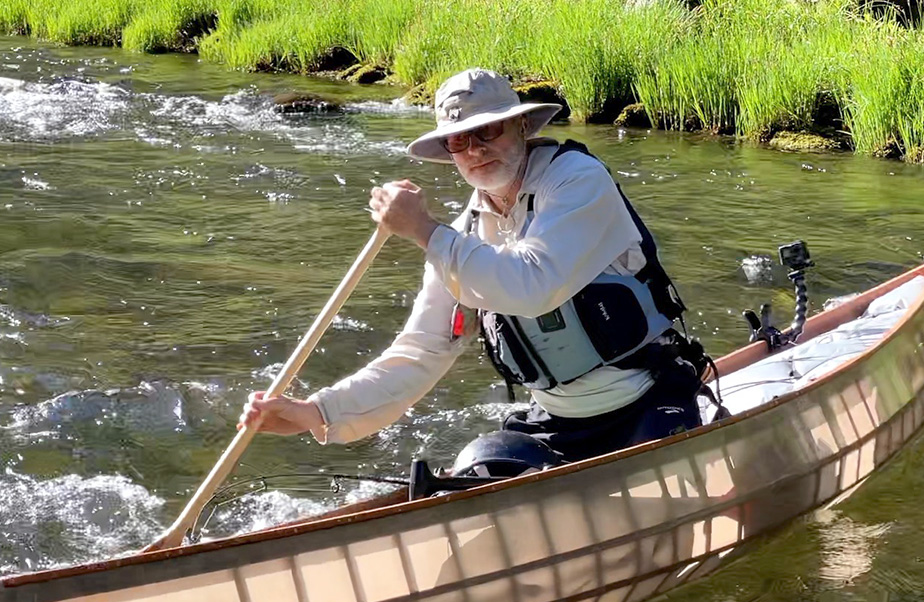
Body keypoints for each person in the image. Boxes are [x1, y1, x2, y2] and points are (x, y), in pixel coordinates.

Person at [240, 68, 709, 466]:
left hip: (648, 400)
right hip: (558, 421)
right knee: (478, 462)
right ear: (450, 154)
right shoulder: (461, 237)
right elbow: (423, 351)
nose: (476, 148)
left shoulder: (577, 181)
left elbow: (533, 284)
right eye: (460, 140)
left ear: (522, 128)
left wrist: (424, 230)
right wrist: (317, 412)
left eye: (489, 131)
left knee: (659, 460)